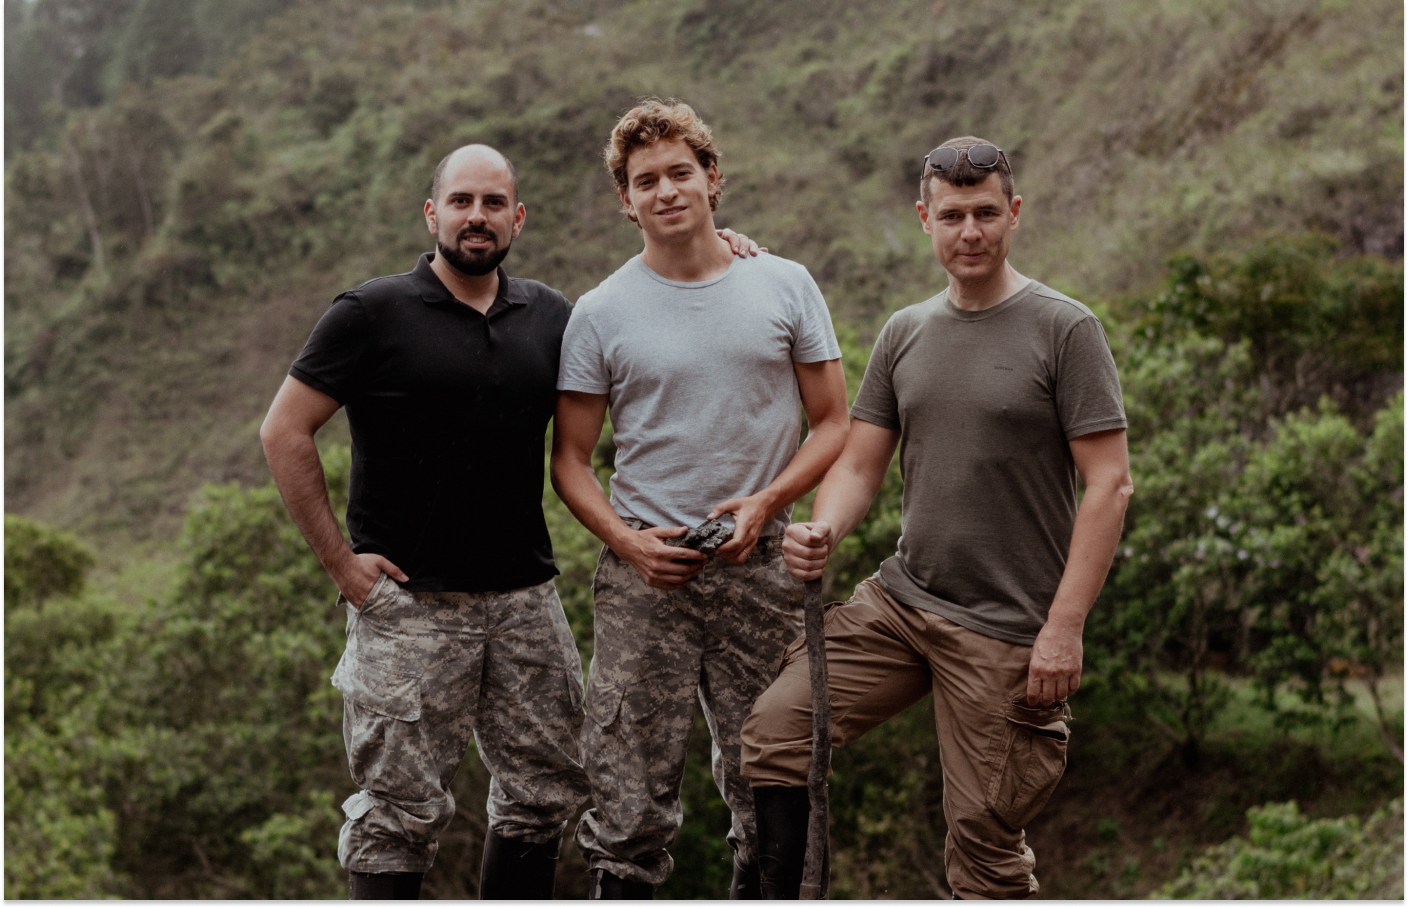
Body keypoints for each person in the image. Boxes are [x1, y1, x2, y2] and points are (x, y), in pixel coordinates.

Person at [259, 144, 761, 900]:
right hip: (408, 608)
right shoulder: (371, 312)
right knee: (396, 813)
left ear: (517, 217)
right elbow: (284, 431)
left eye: (494, 204)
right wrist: (341, 564)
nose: (477, 217)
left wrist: (731, 250)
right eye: (461, 201)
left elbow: (641, 331)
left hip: (526, 601)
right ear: (432, 214)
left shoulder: (551, 316)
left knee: (544, 791)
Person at [740, 137, 1134, 900]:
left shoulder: (1065, 330)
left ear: (1014, 214)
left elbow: (1109, 485)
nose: (971, 232)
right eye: (953, 216)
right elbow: (859, 463)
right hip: (903, 605)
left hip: (1008, 628)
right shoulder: (905, 332)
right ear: (926, 219)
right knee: (778, 732)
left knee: (984, 845)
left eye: (986, 213)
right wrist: (826, 529)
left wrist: (1064, 627)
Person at [550, 98, 850, 900]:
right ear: (626, 199)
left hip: (762, 563)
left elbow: (833, 424)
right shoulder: (600, 312)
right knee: (626, 797)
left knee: (776, 777)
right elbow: (571, 461)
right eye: (645, 180)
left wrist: (768, 500)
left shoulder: (783, 284)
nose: (665, 191)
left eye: (680, 172)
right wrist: (627, 543)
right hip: (648, 574)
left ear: (713, 178)